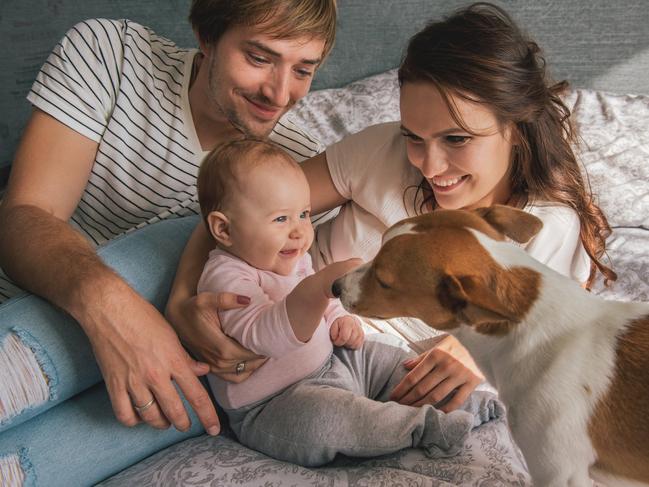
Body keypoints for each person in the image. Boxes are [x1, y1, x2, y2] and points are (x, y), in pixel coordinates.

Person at [168, 1, 616, 414]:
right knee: (143, 278)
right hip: (255, 291)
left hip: (319, 366)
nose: (430, 166)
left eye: (456, 139)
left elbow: (550, 335)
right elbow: (239, 211)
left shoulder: (544, 227)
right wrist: (183, 300)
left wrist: (480, 352)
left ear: (516, 128)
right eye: (414, 136)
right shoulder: (381, 150)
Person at [0, 0, 337, 434]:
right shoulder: (112, 55)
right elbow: (25, 215)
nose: (278, 93)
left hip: (150, 378)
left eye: (303, 71)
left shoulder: (292, 169)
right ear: (207, 36)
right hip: (24, 307)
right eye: (258, 58)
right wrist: (115, 308)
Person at [194, 138, 503, 466]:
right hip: (276, 403)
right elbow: (264, 337)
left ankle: (465, 402)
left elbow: (324, 306)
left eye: (303, 214)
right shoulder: (225, 276)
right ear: (224, 230)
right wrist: (319, 288)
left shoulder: (290, 257)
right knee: (328, 421)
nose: (300, 231)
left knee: (389, 360)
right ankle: (423, 427)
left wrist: (340, 318)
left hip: (333, 363)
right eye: (281, 219)